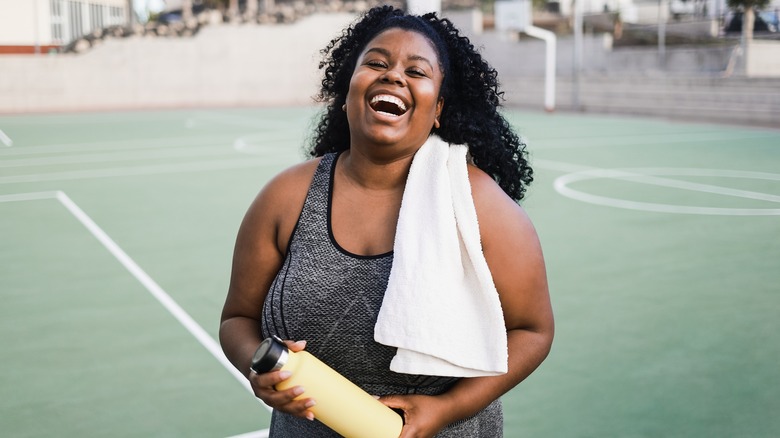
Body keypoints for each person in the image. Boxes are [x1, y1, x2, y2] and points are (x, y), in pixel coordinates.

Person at [219, 5, 554, 437]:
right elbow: (237, 320)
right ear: (346, 91)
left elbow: (533, 330)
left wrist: (446, 408)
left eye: (417, 71)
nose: (394, 75)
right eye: (376, 63)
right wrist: (257, 367)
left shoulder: (478, 204)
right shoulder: (286, 197)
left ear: (438, 109)